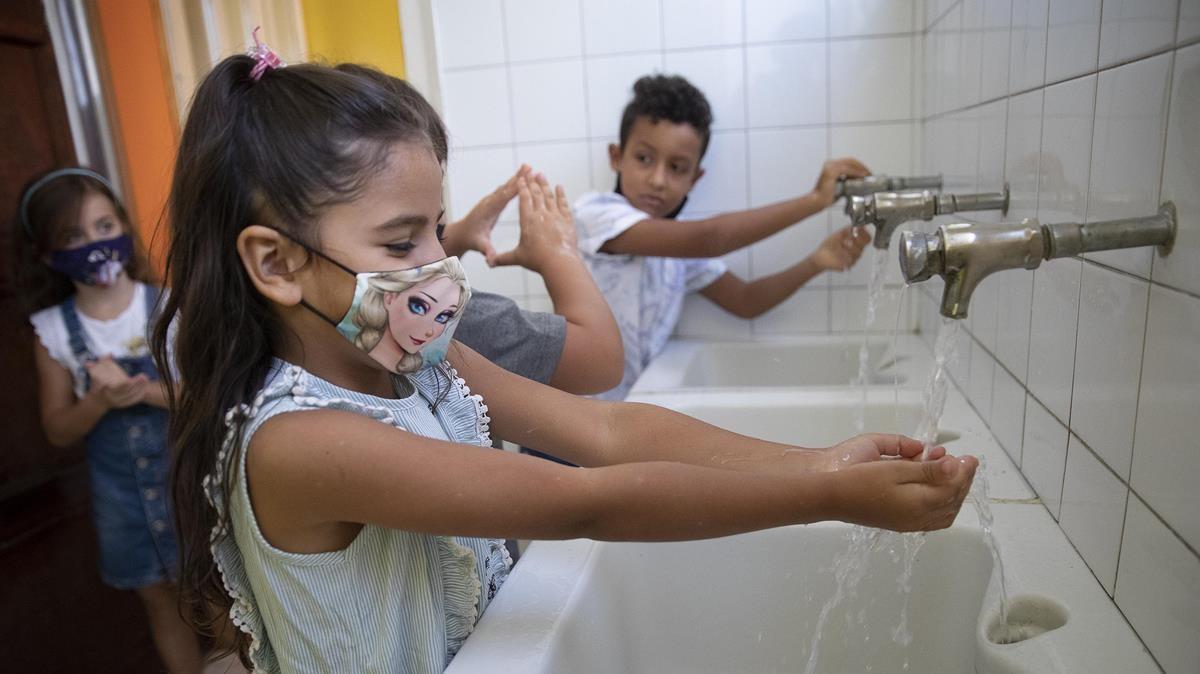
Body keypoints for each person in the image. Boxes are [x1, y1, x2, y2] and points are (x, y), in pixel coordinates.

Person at [152, 44, 977, 673]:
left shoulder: (415, 360)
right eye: (403, 240)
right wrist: (827, 494)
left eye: (438, 229)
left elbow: (605, 430)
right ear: (276, 264)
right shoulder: (300, 441)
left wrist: (821, 459)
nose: (441, 261)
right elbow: (589, 501)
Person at [576, 74, 873, 399]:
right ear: (617, 157)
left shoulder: (677, 253)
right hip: (563, 420)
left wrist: (816, 262)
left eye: (677, 167)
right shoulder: (595, 215)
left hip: (615, 419)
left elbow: (746, 300)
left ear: (695, 177)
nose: (658, 180)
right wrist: (814, 201)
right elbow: (709, 238)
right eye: (644, 159)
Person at [16, 168, 203, 671]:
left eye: (103, 227)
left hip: (187, 484)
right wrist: (99, 401)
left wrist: (142, 390)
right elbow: (57, 429)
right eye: (73, 237)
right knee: (162, 603)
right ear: (48, 254)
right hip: (122, 502)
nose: (94, 244)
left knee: (216, 595)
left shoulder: (166, 305)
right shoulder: (53, 332)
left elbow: (204, 397)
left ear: (122, 225)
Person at [440, 166, 623, 394]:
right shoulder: (443, 317)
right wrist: (558, 254)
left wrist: (456, 235)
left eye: (437, 231)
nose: (434, 250)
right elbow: (601, 360)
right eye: (402, 244)